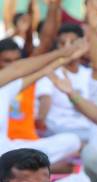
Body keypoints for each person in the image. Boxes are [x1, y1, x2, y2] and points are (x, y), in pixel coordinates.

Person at [0, 39, 81, 171]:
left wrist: (66, 57)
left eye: (15, 60)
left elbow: (41, 71)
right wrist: (61, 52)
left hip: (10, 150)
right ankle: (43, 167)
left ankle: (34, 166)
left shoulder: (5, 88)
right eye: (7, 61)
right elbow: (17, 69)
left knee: (72, 141)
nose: (11, 65)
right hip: (5, 158)